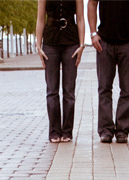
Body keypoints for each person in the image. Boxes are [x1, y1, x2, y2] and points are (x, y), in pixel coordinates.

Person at [87, 0, 129, 143]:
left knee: (127, 90)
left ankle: (122, 130)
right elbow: (92, 3)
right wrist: (93, 33)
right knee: (104, 88)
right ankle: (105, 130)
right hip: (104, 42)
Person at [36, 1, 86, 143]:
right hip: (50, 42)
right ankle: (54, 131)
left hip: (71, 42)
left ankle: (67, 131)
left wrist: (82, 44)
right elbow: (40, 19)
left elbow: (81, 18)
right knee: (52, 90)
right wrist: (38, 45)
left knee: (69, 91)